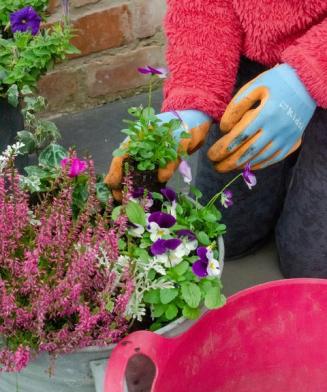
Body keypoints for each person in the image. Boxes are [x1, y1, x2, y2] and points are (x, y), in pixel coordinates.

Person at [106, 0, 327, 278]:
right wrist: (192, 97)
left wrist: (311, 73)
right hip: (255, 48)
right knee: (225, 234)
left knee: (311, 268)